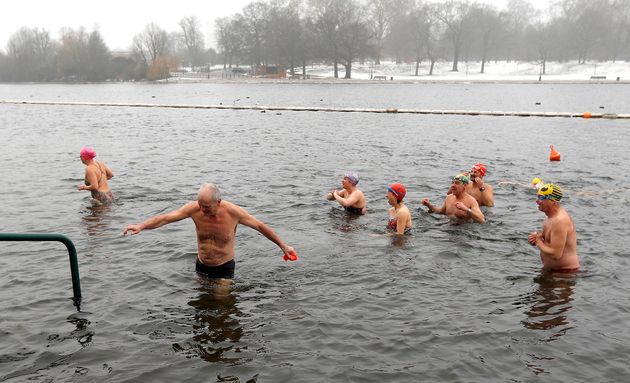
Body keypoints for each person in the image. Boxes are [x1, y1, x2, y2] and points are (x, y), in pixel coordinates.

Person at [123, 183, 296, 280]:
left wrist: (283, 245)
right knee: (202, 306)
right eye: (200, 205)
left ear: (218, 202)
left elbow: (260, 226)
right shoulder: (194, 209)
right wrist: (141, 226)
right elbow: (166, 218)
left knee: (221, 307)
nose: (202, 209)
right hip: (201, 265)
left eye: (206, 207)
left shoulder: (233, 212)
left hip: (224, 267)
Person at [527, 183, 579, 272]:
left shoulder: (560, 221)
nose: (537, 201)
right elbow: (548, 242)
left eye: (541, 198)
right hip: (553, 271)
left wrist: (538, 242)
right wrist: (537, 238)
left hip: (565, 274)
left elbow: (556, 254)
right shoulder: (550, 217)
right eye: (538, 197)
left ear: (552, 201)